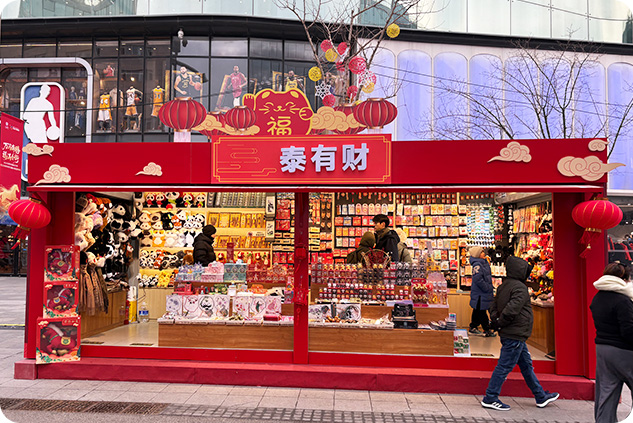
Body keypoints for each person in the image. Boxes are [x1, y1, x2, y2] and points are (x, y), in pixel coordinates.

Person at [481, 255, 559, 411]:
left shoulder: (504, 286)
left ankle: (540, 396)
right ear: (521, 271)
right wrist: (501, 321)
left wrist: (496, 320)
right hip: (515, 333)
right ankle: (490, 397)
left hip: (513, 333)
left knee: (526, 366)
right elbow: (512, 309)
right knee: (504, 366)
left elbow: (493, 305)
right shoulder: (520, 288)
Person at [590, 262, 633, 422]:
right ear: (623, 278)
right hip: (624, 351)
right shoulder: (623, 300)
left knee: (606, 393)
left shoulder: (598, 297)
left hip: (603, 349)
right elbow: (628, 331)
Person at [468, 246, 495, 337]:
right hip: (480, 293)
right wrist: (486, 287)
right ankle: (486, 329)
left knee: (478, 310)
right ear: (477, 254)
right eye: (482, 252)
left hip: (481, 293)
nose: (484, 253)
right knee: (481, 311)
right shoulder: (478, 265)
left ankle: (474, 326)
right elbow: (478, 278)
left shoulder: (483, 262)